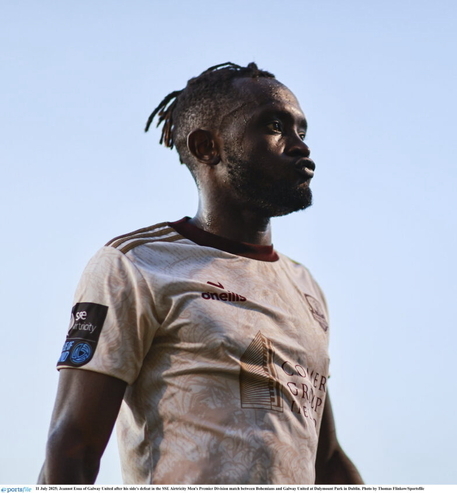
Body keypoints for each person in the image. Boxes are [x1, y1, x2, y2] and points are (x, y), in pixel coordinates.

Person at [38, 62, 362, 485]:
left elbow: (326, 458)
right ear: (208, 146)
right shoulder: (135, 264)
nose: (300, 146)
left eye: (302, 131)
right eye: (275, 126)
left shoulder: (304, 286)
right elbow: (72, 445)